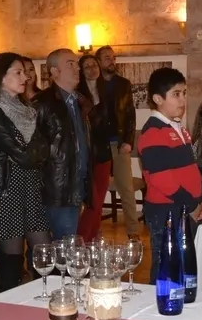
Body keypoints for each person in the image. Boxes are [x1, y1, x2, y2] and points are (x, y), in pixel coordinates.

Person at [0, 52, 49, 291]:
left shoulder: (28, 108)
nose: (26, 77)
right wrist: (36, 151)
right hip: (7, 187)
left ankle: (45, 297)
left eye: (25, 72)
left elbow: (43, 145)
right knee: (12, 254)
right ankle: (8, 301)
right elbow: (23, 155)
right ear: (0, 77)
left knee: (43, 250)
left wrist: (36, 151)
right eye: (18, 72)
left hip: (31, 184)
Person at [137, 67, 202, 284]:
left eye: (184, 93)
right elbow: (162, 180)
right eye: (176, 94)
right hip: (165, 211)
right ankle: (154, 308)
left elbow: (191, 170)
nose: (182, 100)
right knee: (165, 265)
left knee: (181, 262)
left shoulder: (181, 130)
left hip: (184, 207)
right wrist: (191, 204)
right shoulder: (153, 133)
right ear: (157, 99)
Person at [34, 48, 92, 240]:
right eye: (70, 64)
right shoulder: (42, 103)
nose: (77, 68)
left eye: (77, 64)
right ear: (54, 72)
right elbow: (34, 146)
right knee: (65, 245)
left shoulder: (80, 101)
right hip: (57, 187)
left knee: (68, 242)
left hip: (77, 182)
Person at [95, 46, 140, 240]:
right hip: (97, 145)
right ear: (98, 61)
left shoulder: (123, 84)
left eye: (113, 58)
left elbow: (130, 114)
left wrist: (129, 141)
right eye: (107, 58)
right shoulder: (92, 84)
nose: (111, 61)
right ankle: (94, 231)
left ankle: (133, 232)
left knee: (127, 189)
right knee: (95, 190)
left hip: (119, 143)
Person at [76, 53, 112, 241]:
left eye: (94, 65)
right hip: (87, 152)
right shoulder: (78, 93)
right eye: (87, 66)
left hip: (104, 151)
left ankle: (92, 237)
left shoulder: (106, 90)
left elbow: (112, 120)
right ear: (81, 71)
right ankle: (83, 238)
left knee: (99, 199)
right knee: (92, 200)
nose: (92, 69)